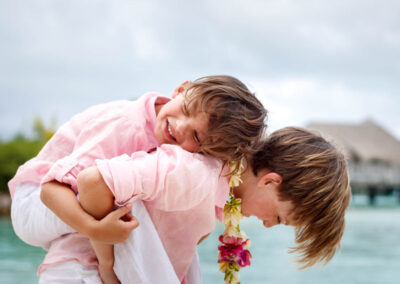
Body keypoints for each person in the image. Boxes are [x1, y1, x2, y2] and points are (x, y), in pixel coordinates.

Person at [39, 127, 351, 283]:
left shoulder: (218, 194)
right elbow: (95, 181)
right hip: (83, 275)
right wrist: (106, 263)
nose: (268, 224)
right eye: (280, 217)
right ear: (270, 181)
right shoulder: (195, 174)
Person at [8, 74, 266, 250]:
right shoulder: (123, 125)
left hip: (69, 195)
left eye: (197, 136)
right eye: (186, 109)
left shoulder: (192, 155)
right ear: (180, 89)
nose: (179, 127)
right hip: (33, 201)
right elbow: (51, 189)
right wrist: (94, 230)